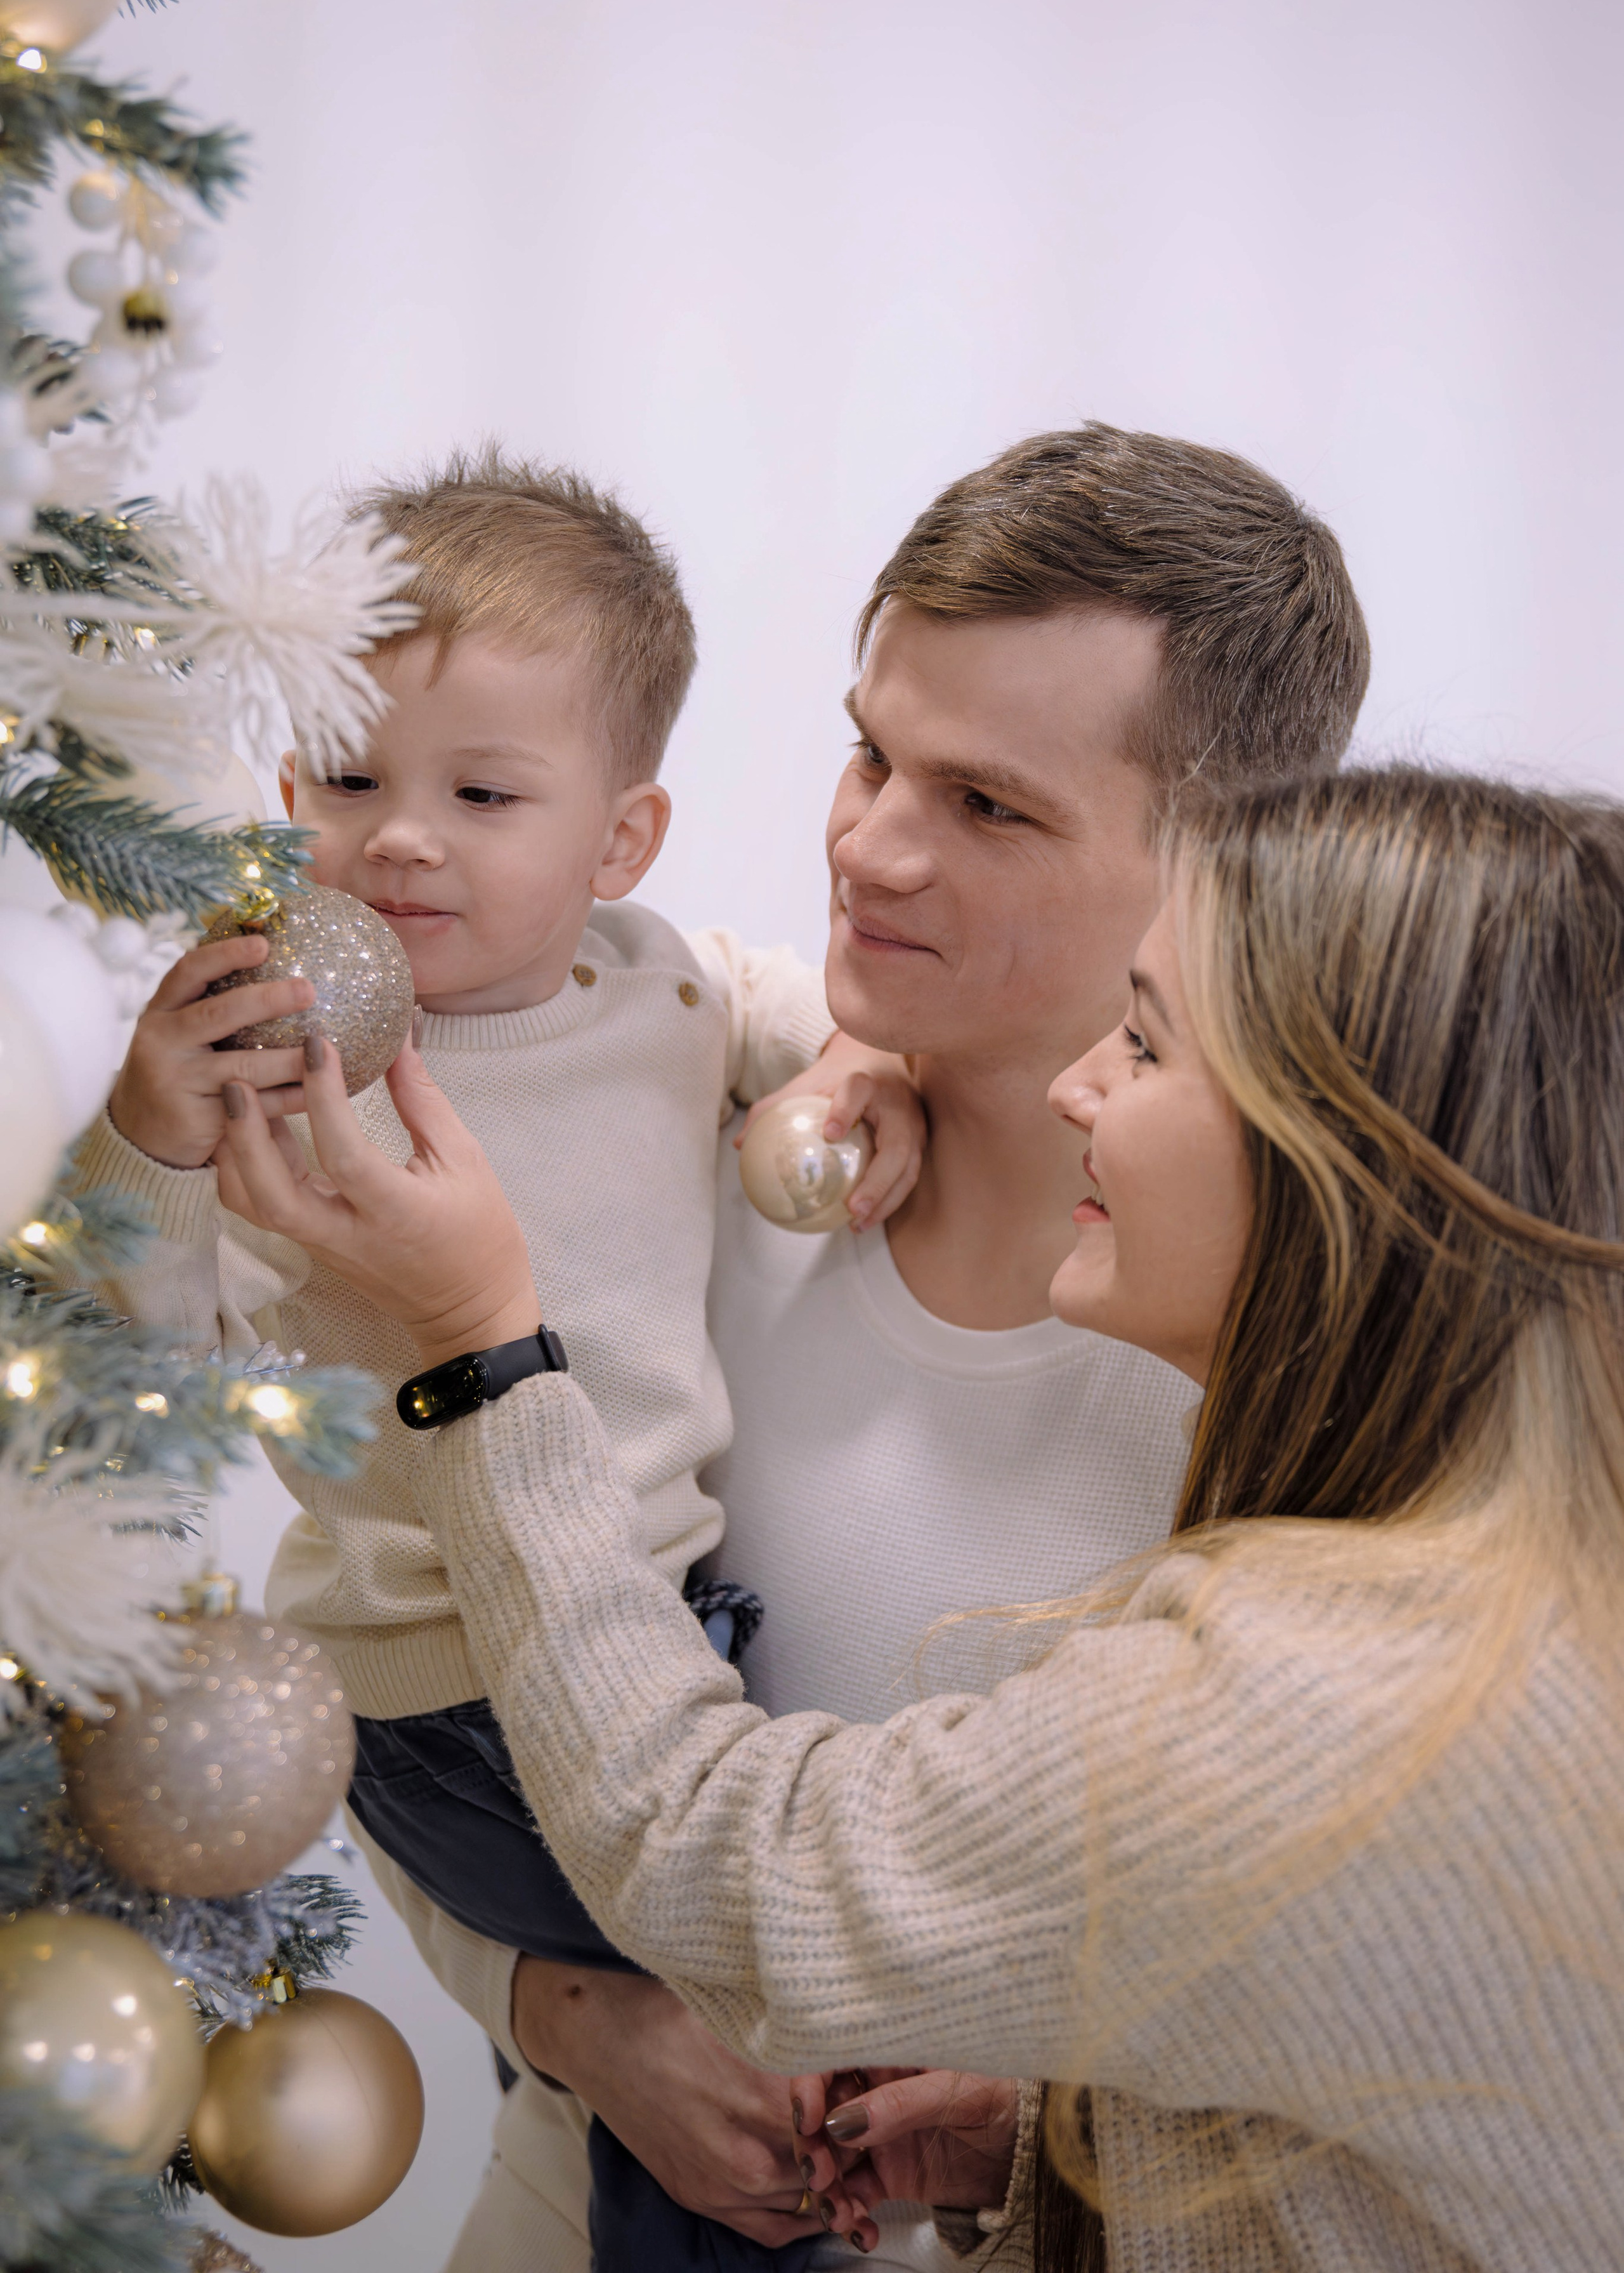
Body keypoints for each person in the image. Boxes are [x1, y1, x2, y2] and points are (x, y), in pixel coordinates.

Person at [214, 763, 1624, 2273]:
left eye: (1146, 1048)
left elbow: (723, 1863)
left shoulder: (1336, 1693)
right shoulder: (714, 1190)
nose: (869, 845)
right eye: (869, 754)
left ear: (1338, 1161)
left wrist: (479, 1352)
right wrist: (1058, 2140)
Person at [370, 423, 1371, 2269]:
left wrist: (1052, 2136)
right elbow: (399, 1674)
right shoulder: (648, 1136)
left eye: (990, 806)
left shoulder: (1309, 1365)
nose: (871, 847)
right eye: (869, 749)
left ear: (1228, 857)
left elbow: (1384, 2029)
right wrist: (572, 2018)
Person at [71, 449, 923, 2273]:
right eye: (352, 779)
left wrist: (852, 1086)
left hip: (653, 1638)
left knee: (733, 2029)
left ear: (618, 839)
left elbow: (798, 1024)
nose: (400, 838)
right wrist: (149, 1129)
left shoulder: (662, 989)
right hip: (446, 1685)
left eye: (481, 792)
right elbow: (119, 1343)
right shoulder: (284, 1064)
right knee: (714, 2066)